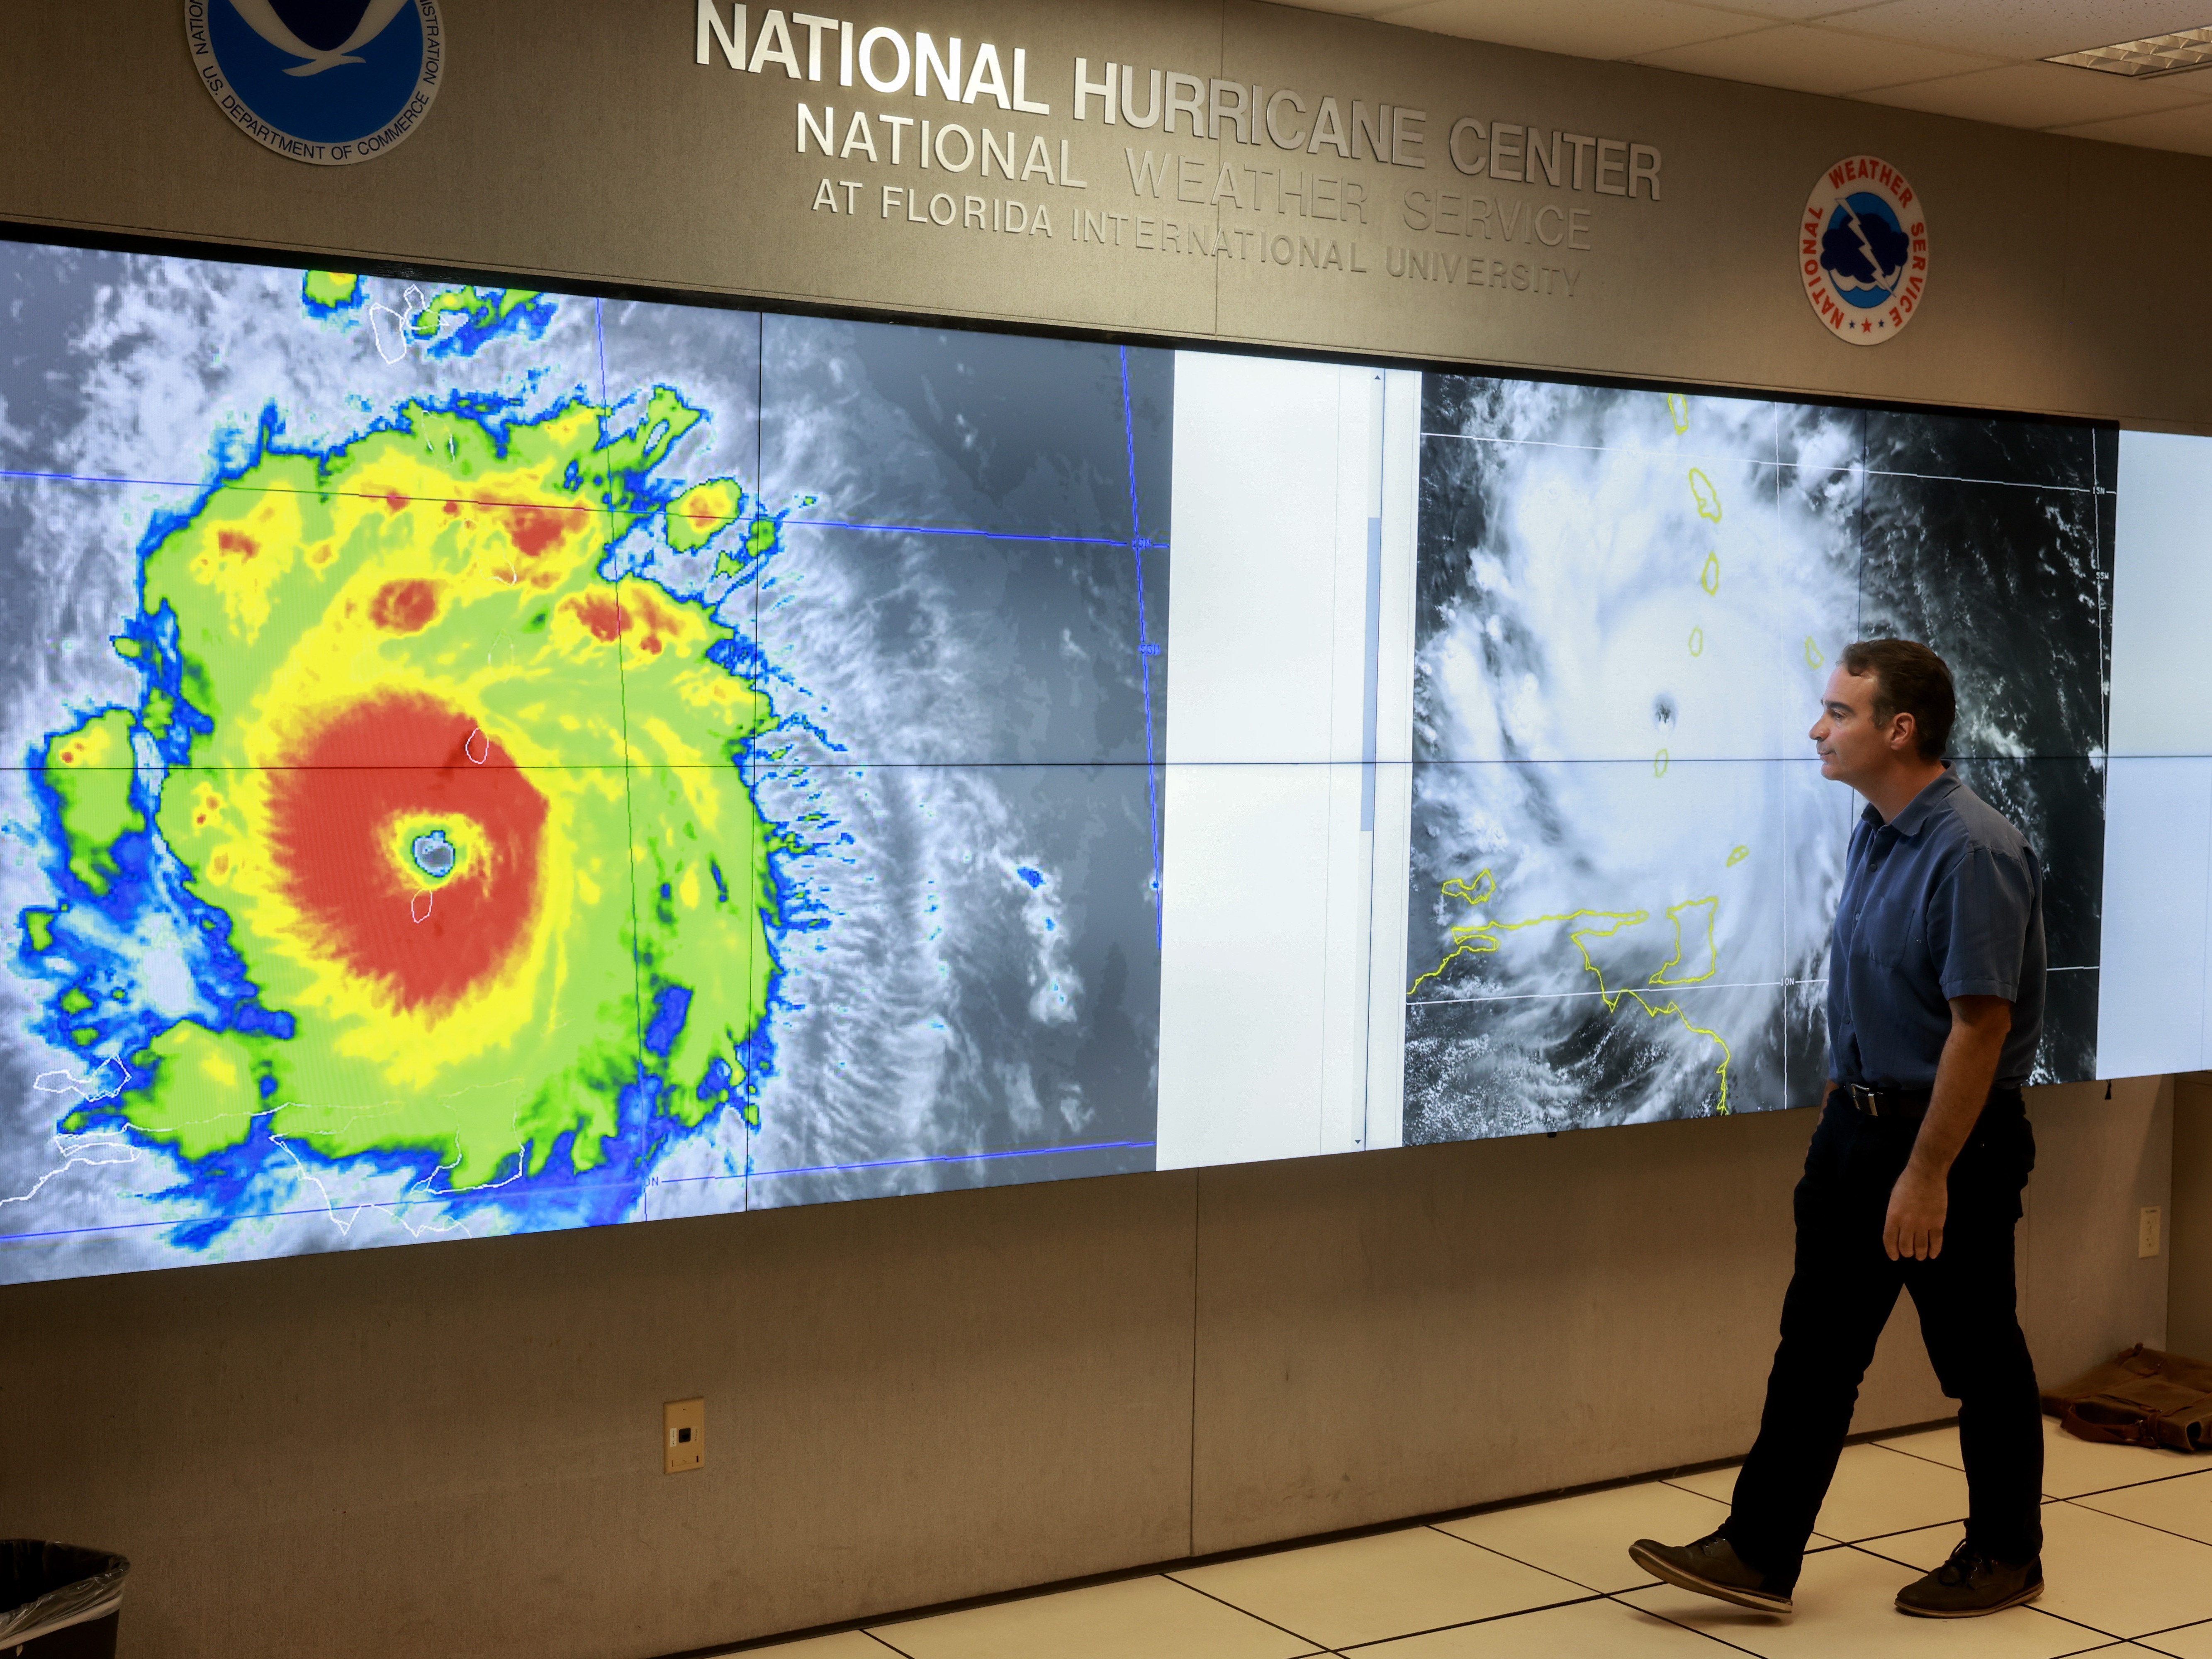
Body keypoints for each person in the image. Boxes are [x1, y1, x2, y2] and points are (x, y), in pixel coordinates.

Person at [1630, 639, 2047, 1619]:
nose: (1818, 728)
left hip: (1951, 1146)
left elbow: (1980, 1027)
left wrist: (1927, 1170)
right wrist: (1840, 1102)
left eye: (1838, 712)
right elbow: (1872, 986)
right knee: (1814, 1350)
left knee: (1981, 1358)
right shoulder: (1878, 828)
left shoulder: (1974, 850)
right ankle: (1759, 1550)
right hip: (1859, 1133)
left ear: (1899, 730)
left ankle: (2008, 1551)